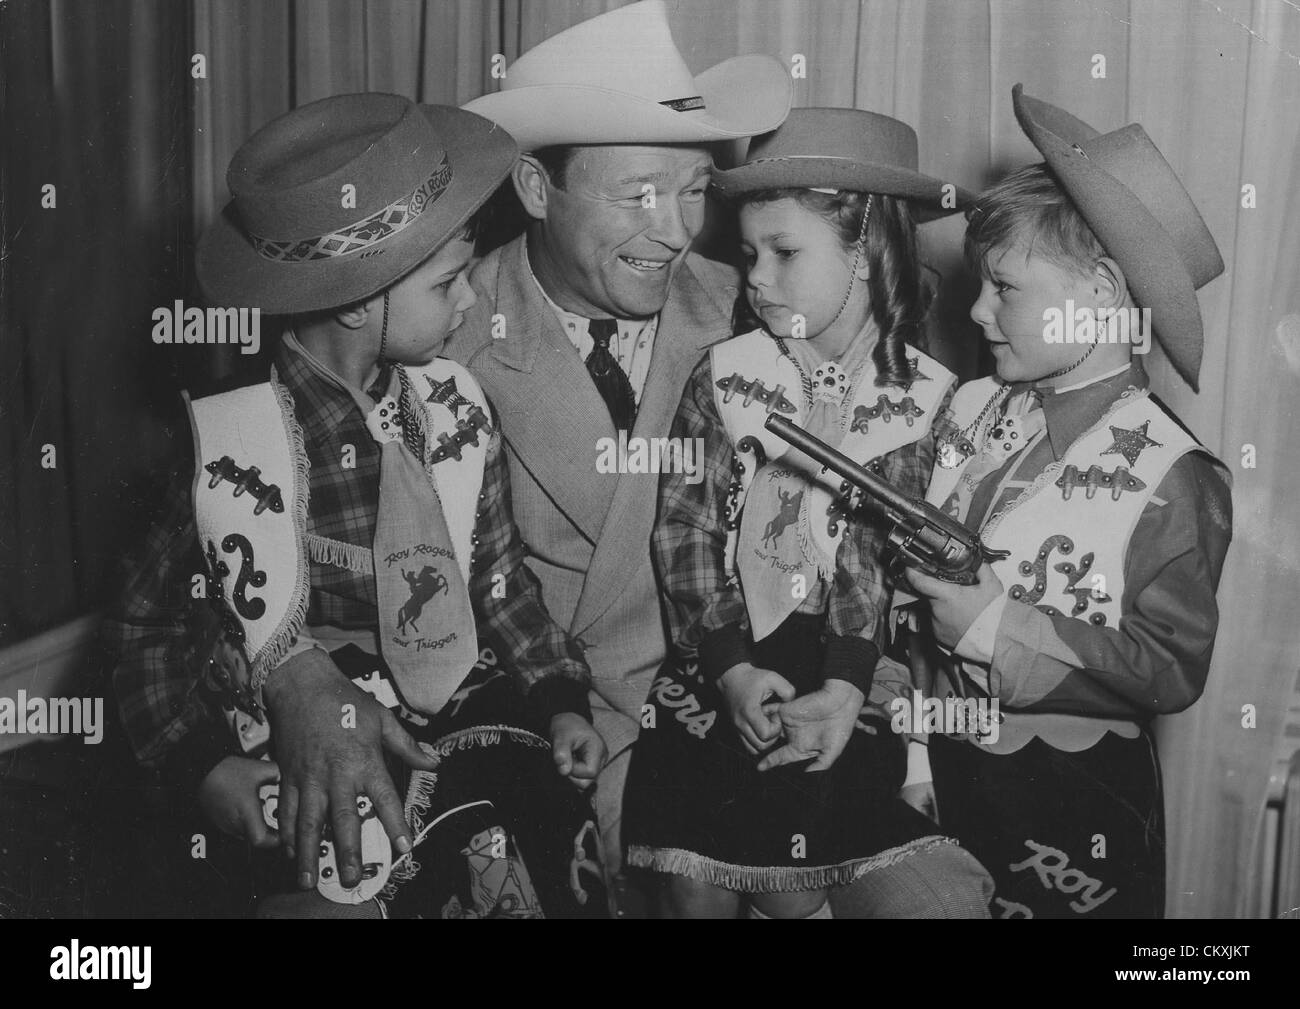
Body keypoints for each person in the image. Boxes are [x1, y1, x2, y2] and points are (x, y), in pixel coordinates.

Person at [105, 93, 609, 918]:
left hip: (460, 698)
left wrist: (558, 699)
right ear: (354, 300)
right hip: (299, 730)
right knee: (347, 870)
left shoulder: (456, 408)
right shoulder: (226, 443)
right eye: (449, 283)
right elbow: (145, 631)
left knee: (537, 830)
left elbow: (501, 582)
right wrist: (205, 768)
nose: (471, 305)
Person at [444, 0, 791, 902]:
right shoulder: (445, 347)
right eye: (638, 193)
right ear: (533, 189)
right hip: (566, 735)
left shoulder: (751, 313)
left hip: (744, 707)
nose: (677, 231)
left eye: (693, 191)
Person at [621, 107, 996, 918]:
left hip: (852, 678)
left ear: (868, 251)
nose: (755, 277)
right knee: (696, 884)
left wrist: (888, 721)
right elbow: (683, 530)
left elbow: (878, 567)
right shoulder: (723, 376)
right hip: (724, 667)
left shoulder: (931, 403)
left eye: (785, 253)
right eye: (750, 253)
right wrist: (728, 666)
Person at [902, 85, 1233, 918]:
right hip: (942, 768)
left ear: (1103, 293)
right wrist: (910, 752)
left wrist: (997, 626)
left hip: (1074, 800)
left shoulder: (1176, 474)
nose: (975, 311)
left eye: (1004, 288)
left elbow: (1171, 667)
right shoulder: (973, 408)